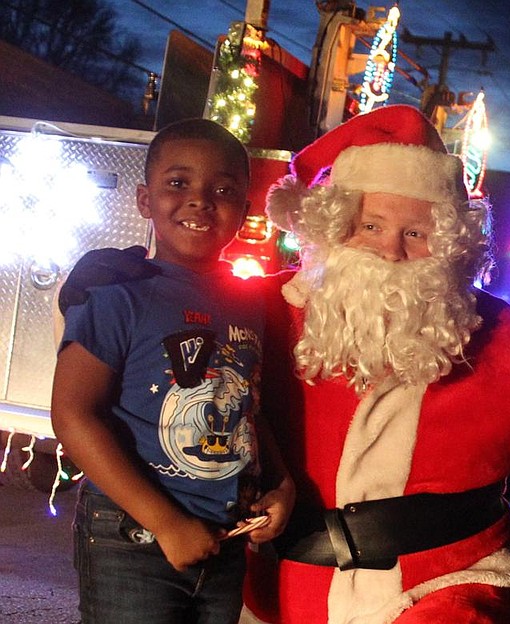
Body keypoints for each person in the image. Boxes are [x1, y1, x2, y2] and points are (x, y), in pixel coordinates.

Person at [59, 106, 510, 624]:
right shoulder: (259, 306)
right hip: (284, 587)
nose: (393, 250)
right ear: (335, 229)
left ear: (449, 244)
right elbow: (169, 318)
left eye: (417, 232)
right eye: (371, 226)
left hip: (446, 583)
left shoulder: (507, 335)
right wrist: (114, 278)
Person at [50, 118, 294, 624]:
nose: (200, 200)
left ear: (245, 212)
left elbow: (249, 409)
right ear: (144, 199)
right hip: (132, 538)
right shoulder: (119, 295)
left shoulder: (249, 304)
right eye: (178, 183)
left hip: (223, 542)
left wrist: (282, 484)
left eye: (224, 190)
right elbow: (72, 415)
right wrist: (166, 523)